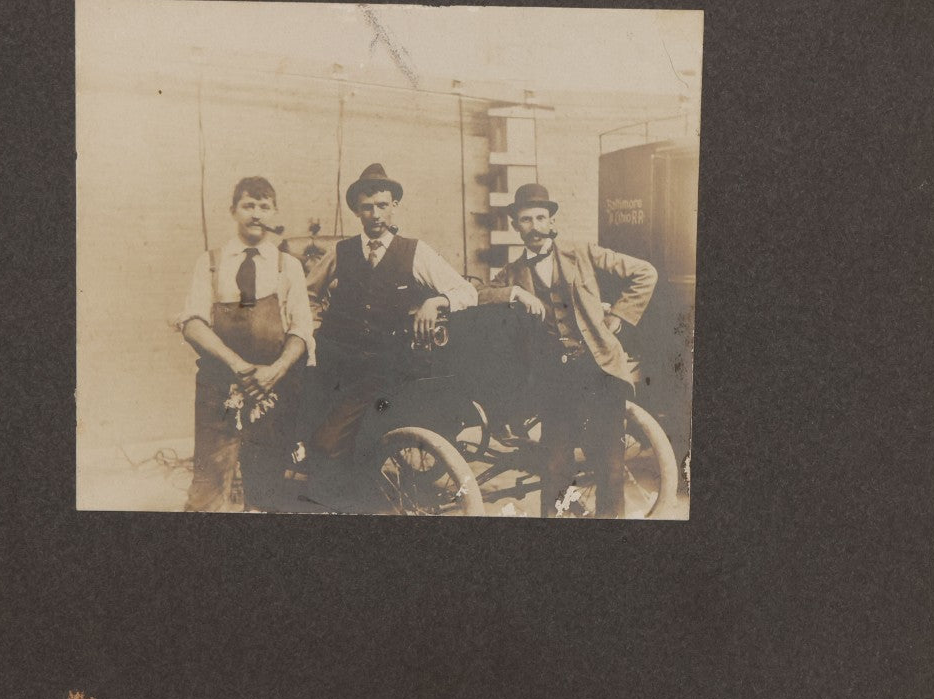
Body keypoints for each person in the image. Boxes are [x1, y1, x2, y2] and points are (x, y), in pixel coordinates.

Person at [480, 183, 657, 518]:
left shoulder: (583, 252)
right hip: (553, 380)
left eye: (540, 217)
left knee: (609, 464)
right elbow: (478, 293)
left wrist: (619, 315)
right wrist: (513, 295)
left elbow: (644, 273)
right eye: (526, 220)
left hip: (598, 369)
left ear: (551, 221)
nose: (534, 226)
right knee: (556, 467)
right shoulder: (512, 273)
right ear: (516, 226)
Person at [304, 163, 478, 470]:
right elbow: (308, 294)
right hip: (337, 365)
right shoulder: (340, 252)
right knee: (320, 441)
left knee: (348, 443)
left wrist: (437, 301)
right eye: (367, 207)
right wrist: (316, 328)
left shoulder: (414, 251)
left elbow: (466, 291)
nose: (376, 214)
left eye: (383, 206)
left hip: (388, 368)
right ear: (357, 210)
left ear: (394, 206)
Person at [175, 176, 313, 512]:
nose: (256, 214)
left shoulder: (288, 266)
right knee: (207, 489)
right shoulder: (210, 262)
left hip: (272, 389)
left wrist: (274, 371)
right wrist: (237, 365)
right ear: (233, 210)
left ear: (273, 212)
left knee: (265, 490)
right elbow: (192, 323)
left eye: (264, 206)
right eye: (248, 205)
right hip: (220, 387)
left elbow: (301, 330)